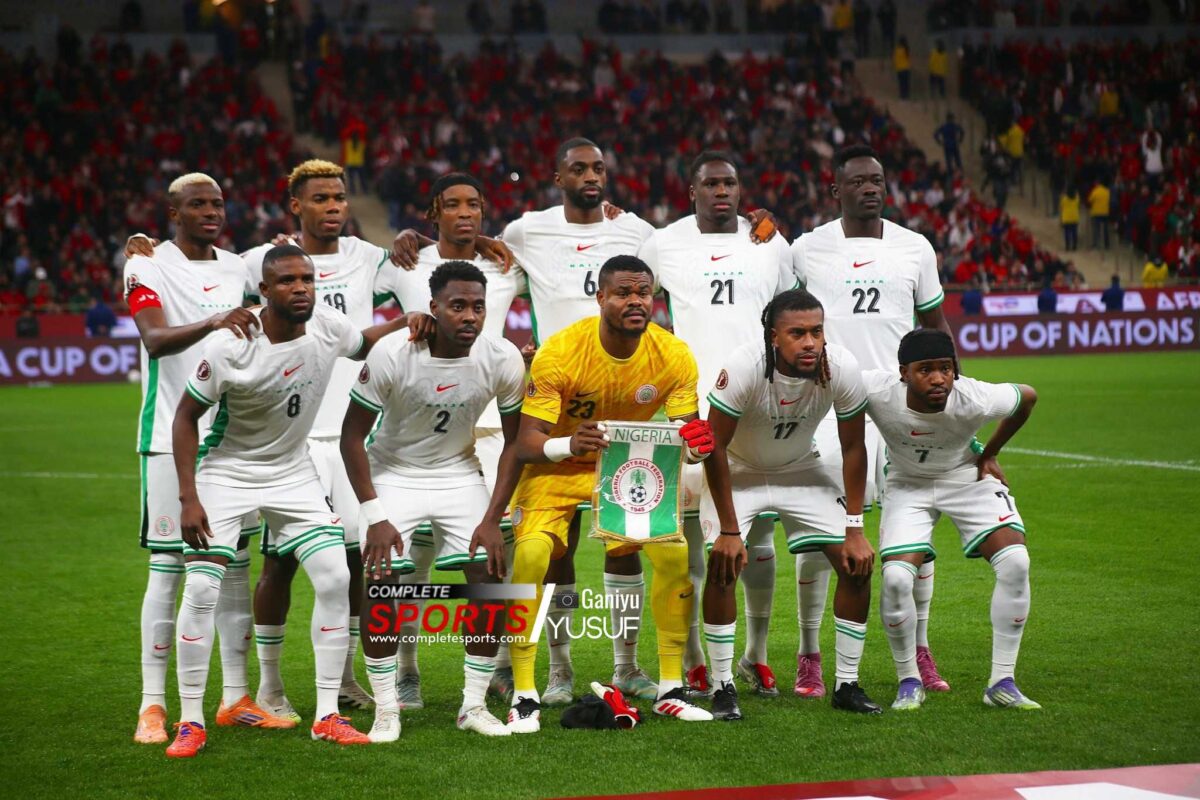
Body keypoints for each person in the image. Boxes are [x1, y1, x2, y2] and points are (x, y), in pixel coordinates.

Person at [165, 245, 410, 756]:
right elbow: (186, 417)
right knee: (203, 588)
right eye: (287, 281)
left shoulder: (326, 325)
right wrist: (188, 496)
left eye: (307, 279)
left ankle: (327, 715)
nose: (300, 288)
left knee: (336, 576)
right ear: (264, 290)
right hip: (227, 473)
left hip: (292, 473)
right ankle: (190, 720)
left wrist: (407, 321)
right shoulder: (231, 345)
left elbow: (362, 343)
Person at [500, 255, 717, 732]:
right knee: (532, 556)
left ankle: (670, 688)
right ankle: (525, 693)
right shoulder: (561, 351)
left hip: (623, 465)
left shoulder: (674, 354)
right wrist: (568, 443)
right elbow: (526, 442)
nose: (635, 301)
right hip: (556, 465)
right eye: (623, 293)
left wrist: (697, 446)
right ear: (600, 297)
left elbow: (686, 431)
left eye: (643, 293)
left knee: (674, 554)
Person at [124, 174, 284, 745]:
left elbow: (291, 267)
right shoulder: (147, 264)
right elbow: (154, 339)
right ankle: (152, 705)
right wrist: (215, 320)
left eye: (217, 203)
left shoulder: (238, 267)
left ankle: (235, 697)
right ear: (174, 212)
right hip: (170, 437)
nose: (211, 212)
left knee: (232, 569)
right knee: (170, 569)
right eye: (197, 204)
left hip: (233, 441)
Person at [790, 145, 953, 700]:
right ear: (836, 190)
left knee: (913, 533)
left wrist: (952, 395)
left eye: (877, 180)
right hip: (829, 407)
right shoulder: (806, 248)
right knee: (824, 535)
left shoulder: (915, 247)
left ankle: (920, 649)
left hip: (899, 409)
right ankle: (809, 655)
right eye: (858, 181)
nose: (870, 188)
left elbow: (935, 326)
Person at [342, 261, 526, 741]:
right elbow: (351, 437)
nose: (470, 316)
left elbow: (515, 443)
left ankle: (473, 705)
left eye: (478, 307)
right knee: (381, 583)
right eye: (457, 306)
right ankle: (387, 709)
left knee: (489, 578)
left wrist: (492, 517)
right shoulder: (393, 353)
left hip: (459, 473)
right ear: (434, 308)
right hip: (393, 474)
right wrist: (375, 516)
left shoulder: (502, 356)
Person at [639, 151, 793, 698]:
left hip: (758, 403)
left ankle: (756, 655)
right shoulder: (663, 243)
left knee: (759, 532)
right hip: (689, 406)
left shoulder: (769, 242)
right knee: (691, 536)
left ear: (741, 189)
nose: (721, 191)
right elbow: (633, 299)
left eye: (730, 182)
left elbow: (789, 312)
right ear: (692, 192)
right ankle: (696, 659)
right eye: (711, 184)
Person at [702, 290, 881, 720]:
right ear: (773, 336)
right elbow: (713, 446)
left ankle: (847, 684)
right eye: (797, 333)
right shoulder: (744, 366)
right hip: (739, 470)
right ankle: (722, 686)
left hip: (801, 468)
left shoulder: (841, 366)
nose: (810, 342)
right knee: (723, 563)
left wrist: (855, 528)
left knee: (856, 563)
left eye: (817, 331)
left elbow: (854, 448)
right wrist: (729, 531)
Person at [866, 329, 1040, 711]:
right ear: (903, 373)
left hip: (964, 475)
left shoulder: (974, 396)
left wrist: (990, 452)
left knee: (1016, 561)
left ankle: (1002, 682)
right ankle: (909, 681)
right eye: (925, 369)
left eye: (945, 368)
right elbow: (833, 388)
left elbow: (1027, 396)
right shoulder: (877, 391)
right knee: (896, 580)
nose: (938, 378)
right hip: (907, 484)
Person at [1088, 180, 1111, 250]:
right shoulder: (1107, 191)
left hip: (1096, 212)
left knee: (1096, 229)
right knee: (1105, 229)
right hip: (1105, 212)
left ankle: (1096, 244)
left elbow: (1090, 200)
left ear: (1096, 184)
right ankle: (1107, 244)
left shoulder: (1095, 191)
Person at [1059, 186, 1080, 251]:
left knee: (1067, 233)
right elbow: (1078, 203)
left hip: (1066, 218)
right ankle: (1074, 246)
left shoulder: (1064, 199)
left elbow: (1061, 206)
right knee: (1074, 232)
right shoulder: (1076, 199)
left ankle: (1067, 246)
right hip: (1075, 217)